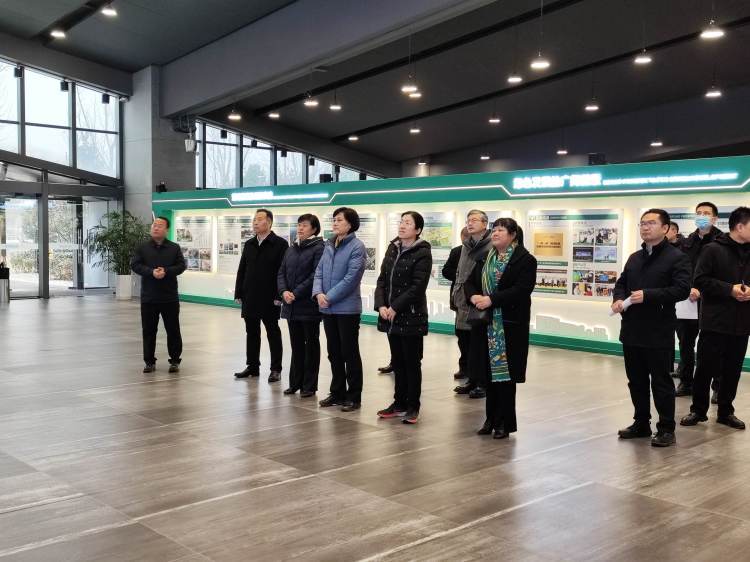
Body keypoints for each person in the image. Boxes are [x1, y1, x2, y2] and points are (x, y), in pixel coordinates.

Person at [612, 209, 691, 447]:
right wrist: (618, 299)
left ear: (665, 228)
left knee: (661, 382)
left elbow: (681, 290)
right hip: (632, 329)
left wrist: (648, 295)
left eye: (651, 223)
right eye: (642, 223)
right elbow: (621, 283)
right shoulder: (635, 257)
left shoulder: (677, 257)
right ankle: (641, 423)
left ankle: (666, 428)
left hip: (658, 330)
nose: (645, 227)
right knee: (636, 380)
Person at [465, 218, 536, 439]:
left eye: (501, 230)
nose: (495, 233)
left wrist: (492, 300)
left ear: (513, 235)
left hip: (509, 326)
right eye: (494, 229)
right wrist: (474, 297)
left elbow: (522, 290)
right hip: (486, 325)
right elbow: (469, 283)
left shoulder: (525, 260)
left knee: (505, 378)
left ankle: (504, 422)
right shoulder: (487, 258)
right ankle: (490, 419)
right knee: (488, 375)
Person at [681, 206, 750, 430]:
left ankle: (726, 411)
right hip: (715, 321)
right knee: (705, 368)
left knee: (733, 369)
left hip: (742, 322)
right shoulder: (713, 249)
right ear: (740, 227)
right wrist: (730, 290)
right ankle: (698, 410)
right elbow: (700, 279)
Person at [375, 211, 432, 424]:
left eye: (408, 223)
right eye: (401, 222)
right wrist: (381, 305)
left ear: (418, 229)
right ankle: (398, 403)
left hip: (411, 316)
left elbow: (418, 287)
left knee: (411, 363)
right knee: (397, 362)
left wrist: (395, 307)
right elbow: (382, 279)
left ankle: (412, 406)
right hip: (390, 315)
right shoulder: (393, 247)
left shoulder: (423, 252)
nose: (402, 225)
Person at [313, 207, 367, 412]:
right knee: (334, 352)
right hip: (327, 309)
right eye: (334, 220)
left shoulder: (357, 247)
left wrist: (328, 297)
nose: (335, 223)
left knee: (349, 353)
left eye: (339, 220)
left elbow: (351, 278)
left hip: (347, 309)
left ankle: (354, 396)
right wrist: (318, 293)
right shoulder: (329, 244)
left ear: (350, 224)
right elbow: (319, 271)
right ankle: (337, 392)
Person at [234, 209, 289, 382]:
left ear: (269, 222)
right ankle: (252, 366)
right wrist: (238, 291)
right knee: (251, 332)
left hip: (270, 297)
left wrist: (279, 295)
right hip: (250, 295)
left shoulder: (280, 244)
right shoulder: (249, 243)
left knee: (272, 332)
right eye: (254, 220)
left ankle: (276, 369)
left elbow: (283, 272)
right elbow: (242, 269)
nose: (255, 222)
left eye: (259, 219)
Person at [674, 202, 723, 398]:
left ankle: (718, 387)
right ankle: (686, 382)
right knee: (685, 343)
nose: (702, 216)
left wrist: (702, 290)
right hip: (688, 302)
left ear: (714, 218)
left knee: (715, 346)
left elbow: (724, 273)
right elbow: (681, 269)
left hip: (713, 301)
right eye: (699, 213)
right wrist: (688, 288)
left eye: (706, 213)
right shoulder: (687, 242)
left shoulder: (723, 242)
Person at [277, 214, 325, 397]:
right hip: (291, 305)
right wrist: (284, 292)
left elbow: (315, 275)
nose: (300, 228)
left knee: (311, 345)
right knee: (296, 345)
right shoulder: (292, 248)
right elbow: (281, 272)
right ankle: (295, 383)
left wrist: (295, 293)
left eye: (304, 225)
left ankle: (309, 386)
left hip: (308, 305)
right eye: (299, 225)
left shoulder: (319, 248)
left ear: (314, 229)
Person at [130, 216, 186, 373]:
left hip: (169, 297)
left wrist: (166, 271)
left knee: (173, 330)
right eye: (154, 225)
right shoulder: (142, 247)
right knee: (148, 330)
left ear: (166, 230)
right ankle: (149, 362)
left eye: (160, 226)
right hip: (149, 297)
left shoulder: (174, 248)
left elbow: (181, 266)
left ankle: (174, 361)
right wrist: (151, 272)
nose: (155, 228)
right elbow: (135, 264)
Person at [453, 211, 492, 398]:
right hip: (464, 298)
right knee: (466, 343)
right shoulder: (466, 245)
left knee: (481, 345)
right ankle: (471, 379)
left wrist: (479, 296)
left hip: (481, 301)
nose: (470, 223)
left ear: (485, 224)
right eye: (468, 220)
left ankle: (482, 382)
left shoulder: (490, 245)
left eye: (474, 220)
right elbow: (461, 273)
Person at [442, 226, 471, 380]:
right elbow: (446, 271)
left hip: (475, 301)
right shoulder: (456, 252)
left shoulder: (483, 251)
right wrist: (461, 276)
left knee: (472, 337)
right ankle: (464, 367)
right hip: (459, 299)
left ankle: (472, 370)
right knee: (461, 335)